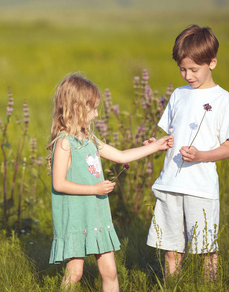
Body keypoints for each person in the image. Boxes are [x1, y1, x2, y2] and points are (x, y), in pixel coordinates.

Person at [47, 73, 173, 291]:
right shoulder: (64, 143)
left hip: (96, 216)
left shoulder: (91, 140)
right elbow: (59, 184)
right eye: (93, 108)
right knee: (75, 273)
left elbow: (122, 156)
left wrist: (155, 146)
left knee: (110, 272)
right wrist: (94, 188)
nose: (96, 114)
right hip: (76, 218)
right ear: (76, 108)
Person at [146, 25, 229, 280]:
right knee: (171, 248)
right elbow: (170, 135)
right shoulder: (178, 95)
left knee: (206, 248)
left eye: (194, 69)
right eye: (182, 69)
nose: (187, 75)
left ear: (212, 63)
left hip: (201, 187)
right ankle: (172, 285)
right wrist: (155, 142)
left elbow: (228, 147)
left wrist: (200, 156)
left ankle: (209, 285)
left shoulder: (223, 99)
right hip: (170, 183)